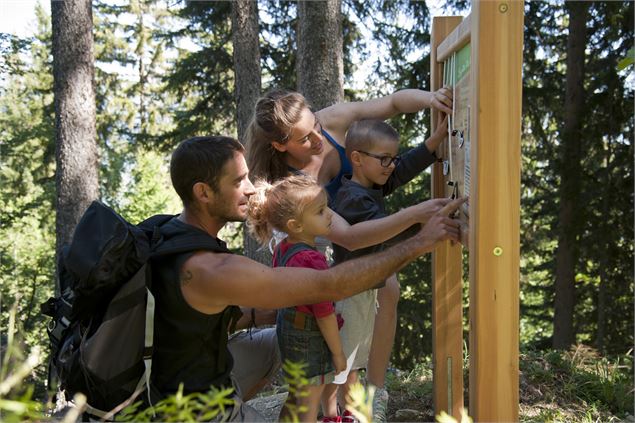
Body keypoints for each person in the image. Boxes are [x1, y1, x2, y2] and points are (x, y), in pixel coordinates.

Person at [151, 135, 463, 421]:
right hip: (197, 411)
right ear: (203, 192)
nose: (250, 187)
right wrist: (420, 242)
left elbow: (192, 319)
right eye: (238, 181)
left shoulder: (170, 232)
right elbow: (329, 286)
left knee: (288, 338)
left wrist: (273, 313)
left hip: (185, 374)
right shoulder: (209, 268)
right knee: (309, 345)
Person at [245, 88, 452, 420]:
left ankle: (373, 392)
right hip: (320, 246)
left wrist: (432, 100)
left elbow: (394, 103)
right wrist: (416, 216)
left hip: (355, 228)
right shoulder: (290, 184)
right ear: (280, 145)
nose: (316, 139)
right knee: (338, 329)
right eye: (304, 138)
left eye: (315, 125)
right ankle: (347, 404)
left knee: (388, 289)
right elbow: (348, 238)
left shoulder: (334, 121)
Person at [330, 119, 446, 421]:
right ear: (356, 158)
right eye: (384, 159)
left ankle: (353, 411)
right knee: (349, 359)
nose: (391, 166)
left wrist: (432, 144)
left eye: (392, 158)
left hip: (365, 288)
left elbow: (403, 169)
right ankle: (351, 414)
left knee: (356, 354)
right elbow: (387, 235)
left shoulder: (367, 184)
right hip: (352, 291)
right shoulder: (353, 199)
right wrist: (423, 222)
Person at [247, 175, 346, 423]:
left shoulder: (283, 249)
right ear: (296, 225)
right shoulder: (312, 260)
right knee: (309, 404)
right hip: (309, 338)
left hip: (288, 329)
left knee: (300, 396)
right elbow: (323, 313)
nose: (330, 215)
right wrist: (337, 353)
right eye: (321, 211)